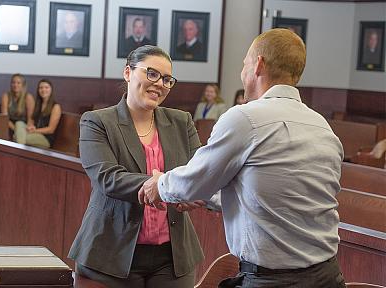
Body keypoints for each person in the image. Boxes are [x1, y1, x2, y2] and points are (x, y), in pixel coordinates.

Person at [140, 29, 346, 288]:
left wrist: (159, 184)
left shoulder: (245, 119)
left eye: (244, 64)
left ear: (258, 64)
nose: (242, 72)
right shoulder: (322, 126)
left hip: (272, 281)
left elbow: (194, 181)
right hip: (328, 277)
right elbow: (273, 199)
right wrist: (206, 198)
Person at [68, 45, 205, 288]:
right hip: (111, 253)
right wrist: (165, 186)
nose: (160, 84)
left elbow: (199, 171)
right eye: (151, 74)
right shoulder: (97, 121)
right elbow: (107, 177)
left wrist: (196, 192)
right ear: (128, 72)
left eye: (167, 79)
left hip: (172, 258)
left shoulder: (181, 121)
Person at [14, 79, 61, 149]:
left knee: (18, 137)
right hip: (35, 132)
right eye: (41, 88)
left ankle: (18, 150)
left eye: (46, 87)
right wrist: (31, 127)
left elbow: (51, 129)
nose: (43, 90)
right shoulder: (38, 104)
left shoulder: (56, 107)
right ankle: (20, 147)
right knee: (19, 123)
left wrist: (34, 131)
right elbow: (32, 121)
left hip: (45, 138)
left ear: (51, 90)